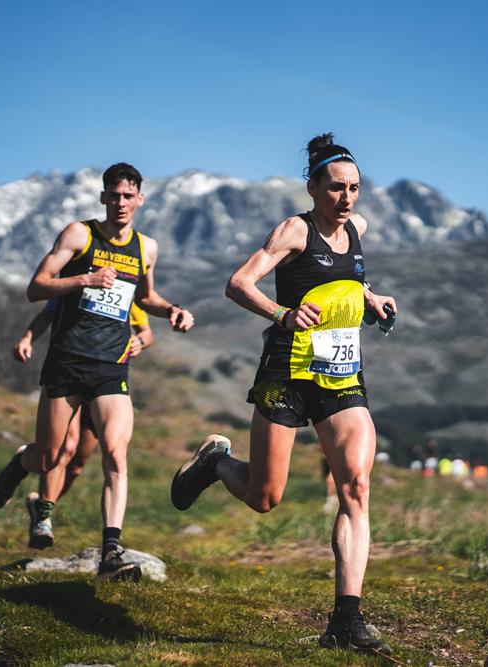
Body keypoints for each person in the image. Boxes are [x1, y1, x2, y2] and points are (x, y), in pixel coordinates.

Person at [169, 134, 396, 654]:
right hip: (286, 374)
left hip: (340, 377)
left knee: (356, 487)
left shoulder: (357, 230)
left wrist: (372, 297)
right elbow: (239, 283)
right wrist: (283, 315)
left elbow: (346, 282)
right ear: (313, 187)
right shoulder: (295, 230)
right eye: (337, 188)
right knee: (265, 497)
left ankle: (346, 620)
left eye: (355, 189)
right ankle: (215, 462)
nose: (347, 199)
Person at [0, 162, 194, 581]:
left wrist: (172, 310)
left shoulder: (146, 248)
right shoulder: (79, 235)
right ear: (103, 197)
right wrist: (85, 279)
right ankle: (20, 463)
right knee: (50, 456)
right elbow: (36, 287)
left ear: (140, 200)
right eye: (113, 195)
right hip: (67, 360)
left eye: (128, 196)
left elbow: (148, 297)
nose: (120, 203)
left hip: (111, 365)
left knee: (116, 455)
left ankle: (110, 554)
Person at [11, 301, 153, 550]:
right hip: (73, 374)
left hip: (104, 385)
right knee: (65, 448)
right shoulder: (81, 286)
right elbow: (47, 311)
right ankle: (44, 517)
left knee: (77, 464)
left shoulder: (127, 292)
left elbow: (146, 331)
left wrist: (140, 341)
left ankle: (41, 506)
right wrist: (27, 338)